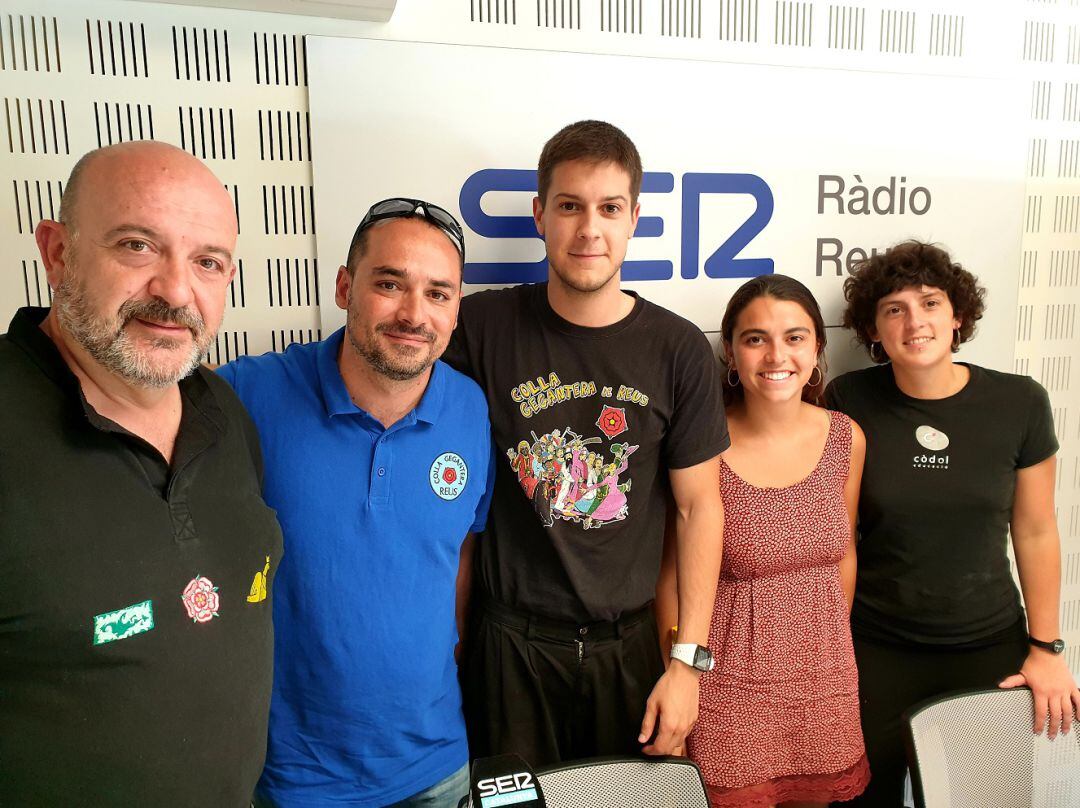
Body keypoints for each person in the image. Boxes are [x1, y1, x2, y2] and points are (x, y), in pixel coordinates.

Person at [0, 141, 283, 807]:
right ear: (58, 252)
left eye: (207, 262)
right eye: (137, 246)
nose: (175, 291)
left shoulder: (225, 413)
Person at [444, 120, 727, 765]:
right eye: (570, 206)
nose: (589, 229)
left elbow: (699, 509)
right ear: (541, 215)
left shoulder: (678, 349)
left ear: (634, 220)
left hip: (626, 652)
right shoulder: (482, 327)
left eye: (609, 208)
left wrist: (687, 664)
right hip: (508, 647)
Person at [218, 198, 493, 808]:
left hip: (438, 764)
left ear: (455, 311)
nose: (413, 314)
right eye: (389, 284)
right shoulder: (251, 393)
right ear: (345, 286)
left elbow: (457, 557)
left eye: (438, 294)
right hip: (297, 778)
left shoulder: (471, 409)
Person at [825, 241, 1080, 807]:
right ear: (874, 328)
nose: (915, 322)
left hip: (988, 645)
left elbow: (1037, 530)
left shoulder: (1019, 403)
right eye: (894, 309)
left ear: (958, 314)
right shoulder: (849, 400)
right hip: (877, 647)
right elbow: (838, 536)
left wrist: (1047, 648)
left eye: (930, 303)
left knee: (991, 799)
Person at [655, 275, 868, 807]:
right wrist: (680, 679)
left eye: (795, 337)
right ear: (730, 351)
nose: (777, 354)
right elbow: (670, 580)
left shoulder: (846, 437)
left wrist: (831, 648)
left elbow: (844, 554)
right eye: (755, 339)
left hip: (824, 682)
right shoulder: (703, 445)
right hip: (728, 687)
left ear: (818, 346)